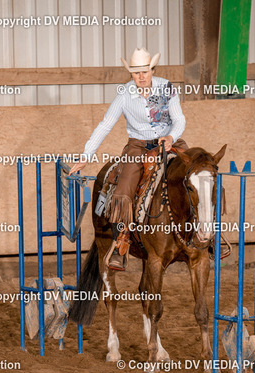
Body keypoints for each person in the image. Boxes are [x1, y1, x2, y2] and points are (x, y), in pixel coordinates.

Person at [69, 47, 188, 271]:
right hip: (139, 146)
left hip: (169, 141)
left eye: (145, 71)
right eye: (136, 73)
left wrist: (171, 137)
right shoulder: (124, 94)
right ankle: (121, 241)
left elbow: (179, 119)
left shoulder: (167, 87)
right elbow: (105, 125)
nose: (141, 77)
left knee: (194, 175)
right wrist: (86, 155)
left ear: (152, 70)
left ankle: (205, 234)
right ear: (131, 73)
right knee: (124, 188)